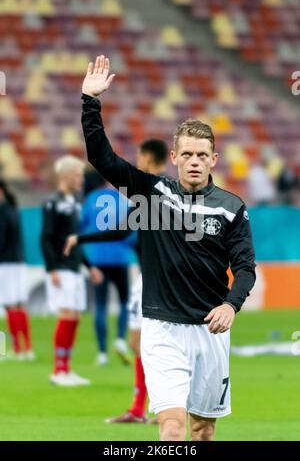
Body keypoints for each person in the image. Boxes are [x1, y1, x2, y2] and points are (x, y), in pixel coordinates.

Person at [80, 55, 256, 441]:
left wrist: (230, 304)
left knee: (203, 430)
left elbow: (245, 268)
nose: (194, 162)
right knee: (173, 429)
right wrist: (90, 103)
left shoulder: (231, 207)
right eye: (187, 154)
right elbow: (102, 158)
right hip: (162, 329)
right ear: (174, 158)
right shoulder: (153, 191)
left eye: (202, 155)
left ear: (214, 159)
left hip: (210, 331)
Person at [64, 138, 168, 423]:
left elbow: (123, 231)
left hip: (158, 280)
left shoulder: (159, 191)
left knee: (150, 344)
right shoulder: (156, 191)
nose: (136, 160)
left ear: (147, 157)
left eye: (138, 156)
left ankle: (161, 406)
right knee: (142, 343)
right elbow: (122, 231)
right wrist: (82, 238)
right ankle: (144, 408)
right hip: (149, 277)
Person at [41, 155, 102, 387]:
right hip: (61, 268)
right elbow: (46, 238)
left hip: (75, 267)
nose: (81, 179)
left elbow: (75, 241)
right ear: (65, 176)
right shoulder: (53, 203)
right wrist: (52, 268)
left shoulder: (76, 201)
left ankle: (67, 367)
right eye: (77, 175)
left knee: (75, 316)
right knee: (66, 315)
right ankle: (58, 369)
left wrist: (89, 266)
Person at [80, 171, 133, 366]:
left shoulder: (92, 199)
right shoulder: (125, 200)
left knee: (100, 305)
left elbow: (81, 225)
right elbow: (131, 234)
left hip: (97, 259)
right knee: (125, 301)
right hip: (120, 258)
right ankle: (120, 338)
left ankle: (102, 353)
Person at [0, 180, 34, 360]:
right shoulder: (13, 209)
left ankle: (17, 348)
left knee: (9, 305)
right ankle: (27, 347)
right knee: (19, 304)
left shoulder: (3, 212)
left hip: (5, 264)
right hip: (18, 262)